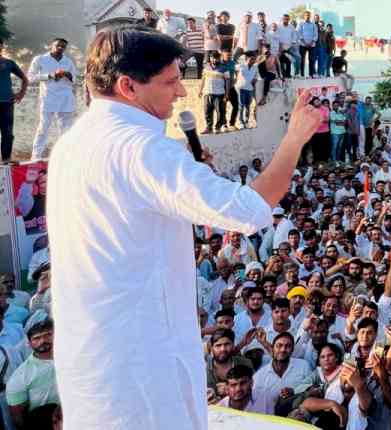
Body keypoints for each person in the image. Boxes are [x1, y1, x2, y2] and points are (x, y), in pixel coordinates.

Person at [47, 26, 323, 430]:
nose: (180, 93)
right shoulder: (140, 148)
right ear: (128, 86)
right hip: (142, 370)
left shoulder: (71, 144)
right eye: (172, 81)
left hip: (96, 362)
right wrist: (295, 137)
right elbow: (249, 209)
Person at [28, 38, 77, 160]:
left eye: (63, 47)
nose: (60, 48)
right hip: (48, 97)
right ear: (51, 45)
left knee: (66, 129)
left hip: (66, 98)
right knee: (43, 128)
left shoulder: (68, 61)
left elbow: (75, 80)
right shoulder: (40, 59)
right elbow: (30, 77)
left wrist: (68, 74)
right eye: (58, 45)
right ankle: (36, 157)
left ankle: (65, 156)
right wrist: (49, 76)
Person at [6, 319, 57, 430]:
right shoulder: (20, 377)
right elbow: (17, 416)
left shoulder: (73, 361)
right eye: (36, 338)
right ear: (29, 344)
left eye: (48, 335)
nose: (43, 340)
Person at [0, 38, 27, 162]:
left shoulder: (9, 63)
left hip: (7, 103)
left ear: (2, 47)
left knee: (7, 133)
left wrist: (21, 93)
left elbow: (24, 79)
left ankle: (6, 159)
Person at [198, 51, 229, 134]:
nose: (215, 60)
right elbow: (203, 79)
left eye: (216, 58)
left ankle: (217, 127)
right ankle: (209, 128)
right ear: (210, 58)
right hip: (207, 93)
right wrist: (200, 90)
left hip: (219, 94)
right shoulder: (206, 67)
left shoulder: (224, 68)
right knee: (207, 111)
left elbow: (227, 82)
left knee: (220, 112)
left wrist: (226, 94)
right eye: (213, 58)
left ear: (219, 58)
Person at [298, 11, 318, 77]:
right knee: (302, 60)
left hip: (312, 45)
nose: (307, 16)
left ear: (310, 16)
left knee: (311, 60)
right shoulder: (301, 24)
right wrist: (305, 42)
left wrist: (312, 42)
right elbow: (299, 34)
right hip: (303, 45)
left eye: (309, 15)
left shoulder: (313, 24)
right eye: (306, 15)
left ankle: (311, 74)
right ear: (304, 16)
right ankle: (302, 74)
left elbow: (316, 35)